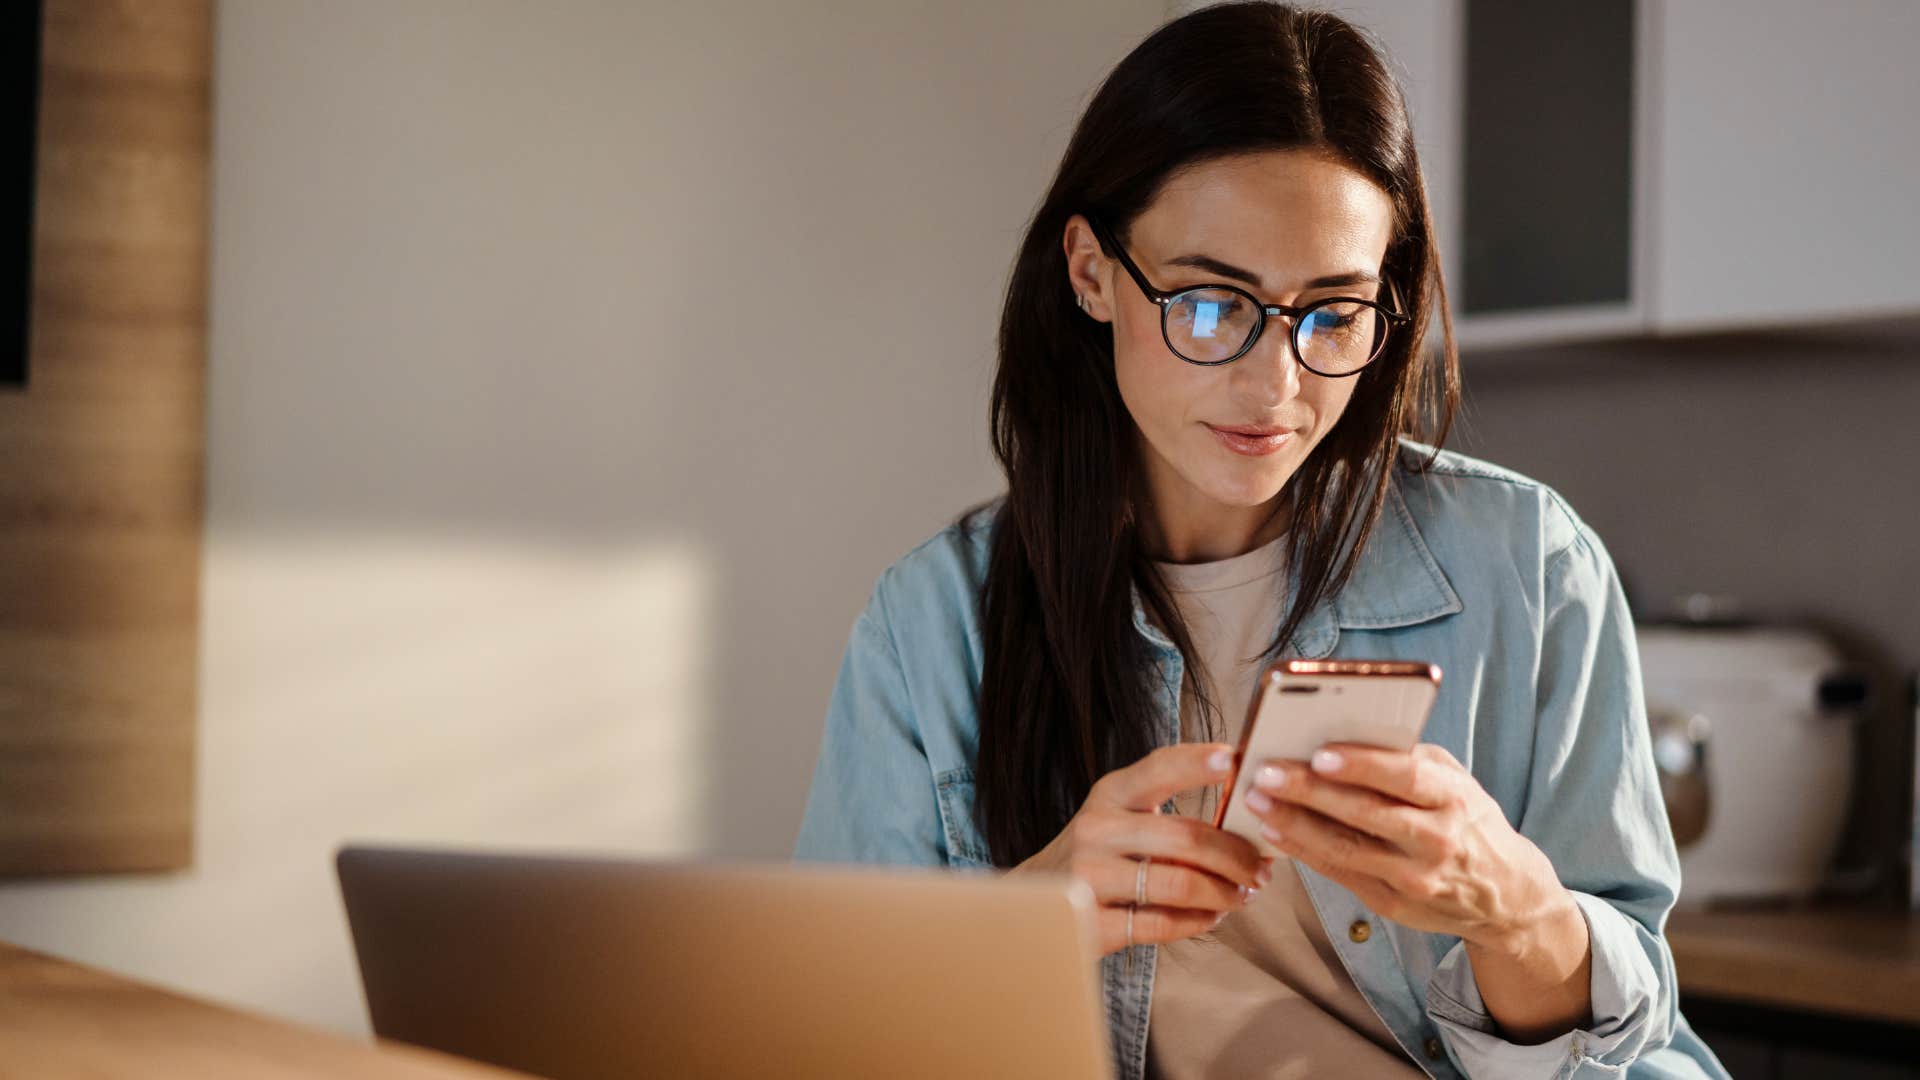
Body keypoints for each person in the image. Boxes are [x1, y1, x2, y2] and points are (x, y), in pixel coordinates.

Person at [793, 3, 1730, 1077]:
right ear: (1091, 272)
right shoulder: (933, 624)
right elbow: (833, 1030)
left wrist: (1511, 908)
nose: (1275, 386)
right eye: (1208, 304)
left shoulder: (1528, 565)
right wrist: (1030, 918)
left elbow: (1628, 1048)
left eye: (1332, 315)